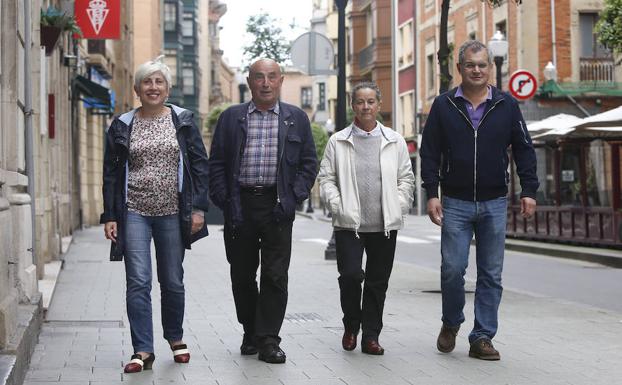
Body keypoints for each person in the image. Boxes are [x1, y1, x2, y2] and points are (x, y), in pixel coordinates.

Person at [420, 40, 539, 360]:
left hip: (494, 202)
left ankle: (482, 336)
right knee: (452, 269)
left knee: (490, 273)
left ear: (490, 68)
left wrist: (529, 190)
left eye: (482, 65)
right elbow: (429, 152)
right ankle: (451, 322)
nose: (477, 70)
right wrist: (432, 193)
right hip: (455, 202)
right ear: (459, 68)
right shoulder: (443, 105)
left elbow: (524, 149)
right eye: (470, 65)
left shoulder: (506, 104)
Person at [101, 56, 210, 373]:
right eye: (146, 82)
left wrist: (199, 208)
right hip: (133, 211)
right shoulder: (122, 124)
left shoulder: (183, 121)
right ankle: (142, 349)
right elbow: (110, 173)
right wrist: (110, 215)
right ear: (137, 89)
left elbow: (199, 166)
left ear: (168, 88)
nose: (153, 87)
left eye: (158, 81)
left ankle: (175, 338)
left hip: (173, 213)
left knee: (173, 280)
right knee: (138, 281)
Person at [208, 58, 318, 364]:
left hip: (278, 205)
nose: (266, 83)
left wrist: (294, 198)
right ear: (249, 81)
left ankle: (268, 339)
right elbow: (215, 163)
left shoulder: (296, 118)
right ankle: (250, 331)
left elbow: (309, 164)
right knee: (242, 275)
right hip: (240, 205)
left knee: (275, 275)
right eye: (259, 77)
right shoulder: (232, 118)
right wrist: (224, 200)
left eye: (271, 77)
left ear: (281, 80)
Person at [318, 82, 414, 355]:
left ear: (379, 105)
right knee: (349, 276)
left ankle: (371, 335)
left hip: (384, 225)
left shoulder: (394, 141)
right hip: (350, 224)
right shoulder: (338, 141)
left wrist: (399, 205)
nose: (366, 106)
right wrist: (338, 206)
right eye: (360, 101)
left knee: (377, 282)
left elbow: (406, 179)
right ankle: (351, 325)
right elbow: (326, 178)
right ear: (353, 105)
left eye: (371, 101)